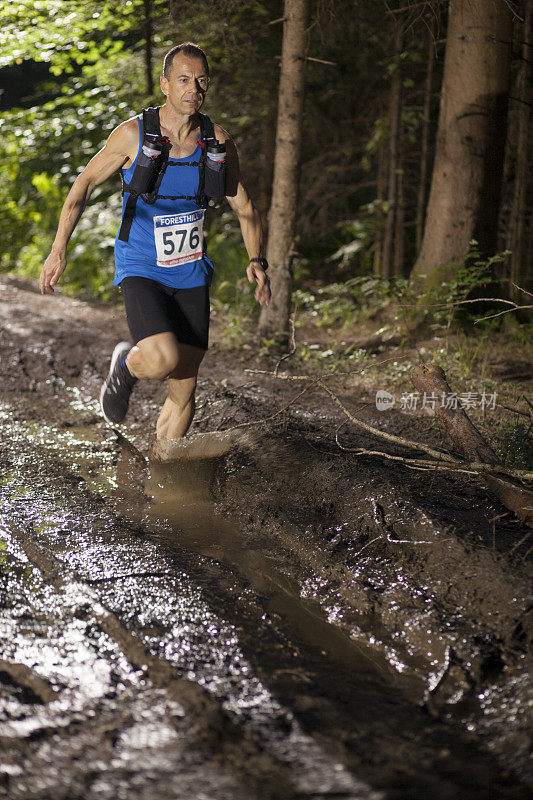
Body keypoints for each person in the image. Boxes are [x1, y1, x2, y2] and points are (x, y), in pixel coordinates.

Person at [39, 42, 270, 440]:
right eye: (183, 79)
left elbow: (244, 206)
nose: (192, 89)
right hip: (142, 263)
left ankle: (165, 471)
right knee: (162, 358)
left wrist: (257, 261)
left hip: (191, 269)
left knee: (185, 386)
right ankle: (126, 367)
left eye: (200, 80)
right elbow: (85, 184)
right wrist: (59, 246)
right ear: (165, 84)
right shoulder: (133, 135)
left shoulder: (216, 142)